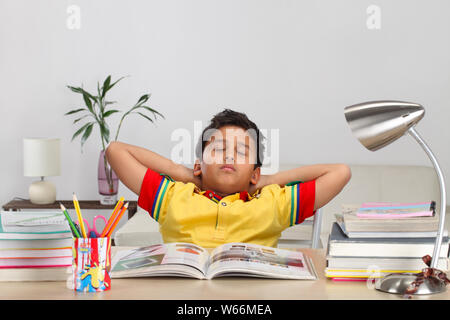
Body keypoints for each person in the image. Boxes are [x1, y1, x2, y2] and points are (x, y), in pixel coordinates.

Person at [106, 109, 351, 248]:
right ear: (200, 165)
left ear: (255, 173)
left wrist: (269, 180)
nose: (229, 155)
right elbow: (116, 151)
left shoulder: (273, 203)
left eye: (242, 151)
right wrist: (183, 174)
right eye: (218, 149)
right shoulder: (173, 196)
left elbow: (339, 173)